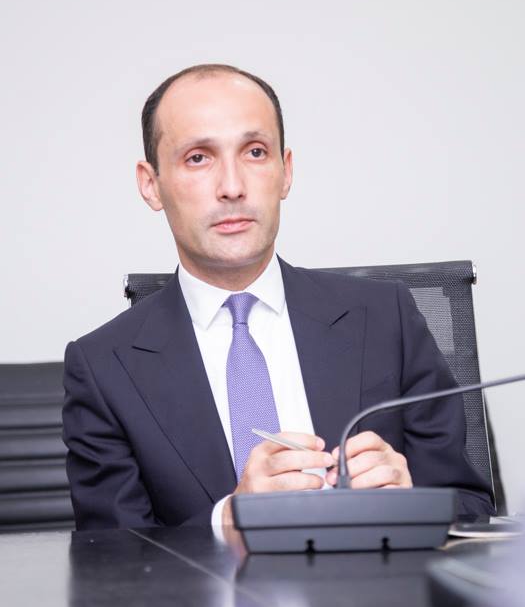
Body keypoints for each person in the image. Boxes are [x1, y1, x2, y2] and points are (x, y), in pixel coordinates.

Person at [62, 64, 493, 530]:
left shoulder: (388, 317)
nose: (232, 187)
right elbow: (113, 558)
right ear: (151, 184)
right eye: (198, 158)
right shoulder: (102, 369)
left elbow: (470, 509)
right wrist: (230, 521)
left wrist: (413, 504)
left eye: (255, 152)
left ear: (285, 172)